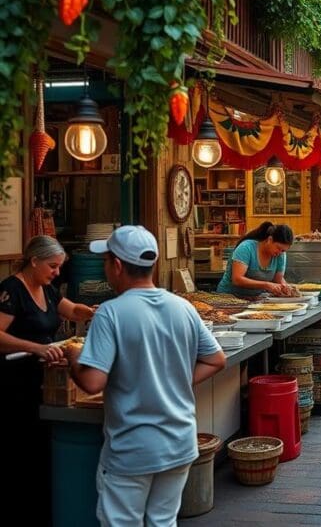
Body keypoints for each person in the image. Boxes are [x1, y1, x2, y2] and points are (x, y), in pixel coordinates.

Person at [65, 225, 226, 525]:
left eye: (106, 261)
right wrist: (174, 379)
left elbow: (92, 382)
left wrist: (74, 357)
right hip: (179, 443)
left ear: (116, 265)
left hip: (132, 449)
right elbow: (216, 359)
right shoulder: (183, 308)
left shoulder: (109, 313)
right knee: (163, 521)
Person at [0, 236, 96, 525]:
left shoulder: (48, 289)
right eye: (53, 266)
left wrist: (93, 312)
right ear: (34, 261)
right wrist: (36, 347)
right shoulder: (11, 290)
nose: (57, 273)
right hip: (15, 381)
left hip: (44, 377)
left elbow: (71, 309)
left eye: (59, 267)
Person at [217, 222, 294, 297]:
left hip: (254, 298)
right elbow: (237, 279)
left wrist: (284, 287)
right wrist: (266, 285)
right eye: (278, 248)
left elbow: (278, 279)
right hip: (228, 297)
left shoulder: (280, 255)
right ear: (270, 240)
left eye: (283, 250)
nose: (280, 253)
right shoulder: (246, 248)